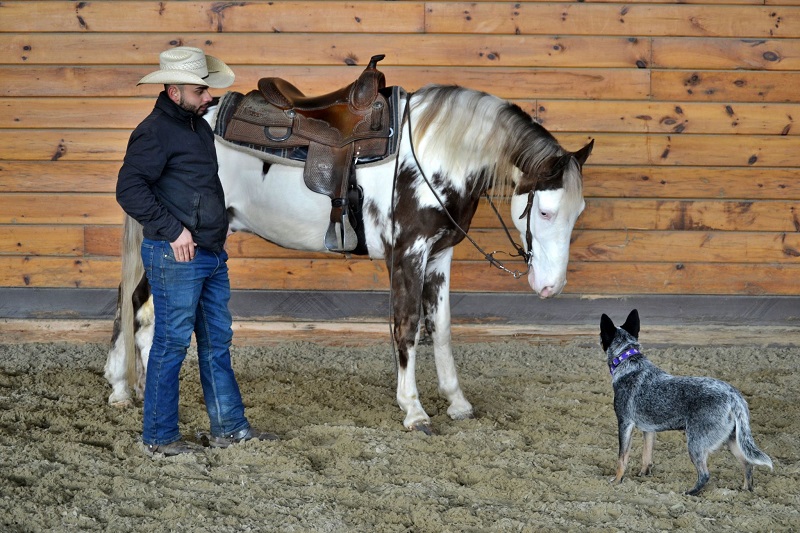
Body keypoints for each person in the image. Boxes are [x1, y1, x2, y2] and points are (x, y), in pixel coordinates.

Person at [116, 46, 277, 456]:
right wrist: (173, 231)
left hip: (209, 254)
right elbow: (129, 189)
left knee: (216, 343)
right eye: (199, 90)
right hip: (176, 255)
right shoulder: (153, 132)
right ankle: (157, 438)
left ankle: (229, 427)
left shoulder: (197, 128)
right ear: (173, 92)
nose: (209, 98)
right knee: (171, 345)